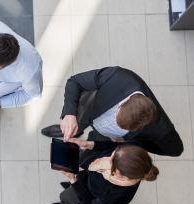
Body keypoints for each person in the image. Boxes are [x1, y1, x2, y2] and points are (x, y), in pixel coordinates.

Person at [41, 66, 183, 157]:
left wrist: (129, 142)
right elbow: (75, 81)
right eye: (116, 118)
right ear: (123, 103)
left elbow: (176, 150)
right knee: (75, 122)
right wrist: (70, 114)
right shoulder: (118, 77)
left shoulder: (160, 128)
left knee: (88, 152)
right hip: (90, 111)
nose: (114, 124)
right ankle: (71, 128)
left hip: (106, 139)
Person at [51, 144, 159, 204]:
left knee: (65, 198)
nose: (106, 159)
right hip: (87, 179)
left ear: (123, 177)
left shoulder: (116, 199)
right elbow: (105, 148)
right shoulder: (126, 154)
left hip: (89, 195)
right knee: (74, 187)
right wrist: (89, 144)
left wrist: (73, 180)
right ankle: (72, 188)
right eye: (113, 154)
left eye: (111, 162)